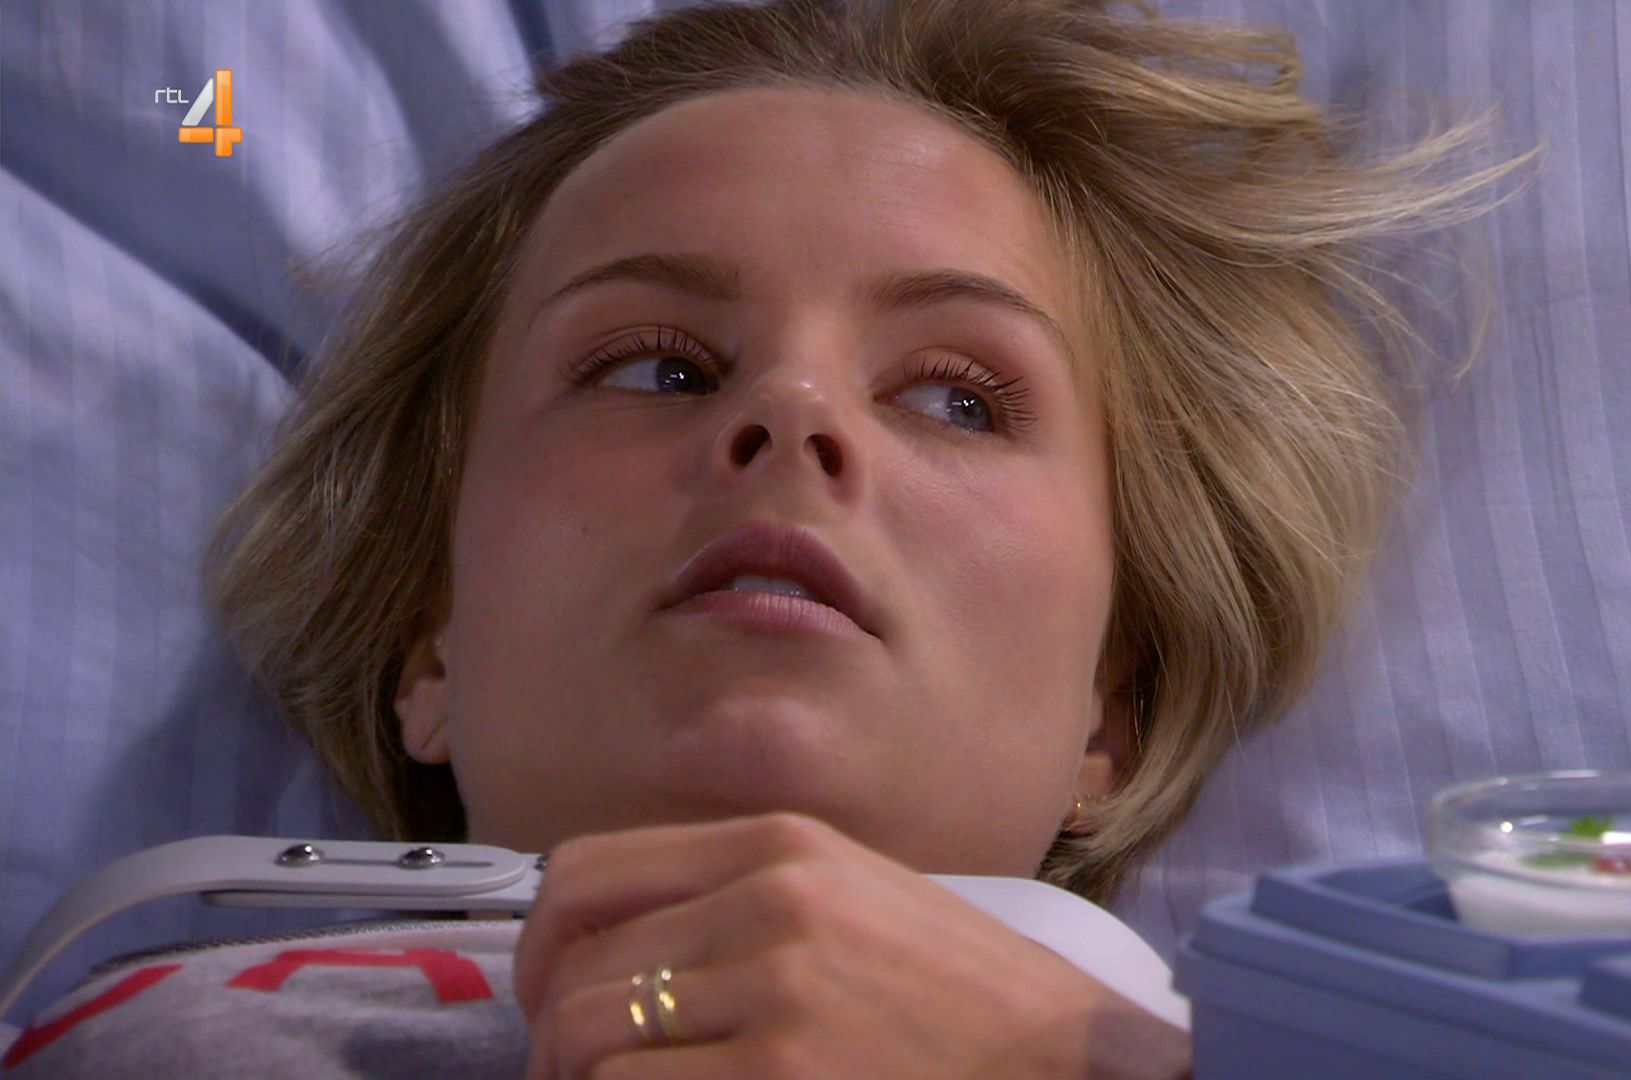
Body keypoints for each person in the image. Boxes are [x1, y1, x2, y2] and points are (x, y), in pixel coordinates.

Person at [2, 0, 1523, 1075]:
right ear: (428, 641)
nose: (792, 414)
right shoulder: (115, 1015)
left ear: (1109, 717)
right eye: (657, 368)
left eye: (958, 398)